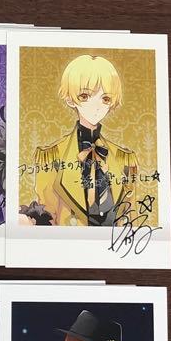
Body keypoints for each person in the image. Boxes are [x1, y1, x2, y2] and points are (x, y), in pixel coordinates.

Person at [25, 54, 141, 228]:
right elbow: (46, 216)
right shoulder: (51, 156)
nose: (96, 106)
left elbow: (132, 219)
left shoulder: (124, 158)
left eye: (105, 98)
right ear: (70, 99)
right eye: (85, 96)